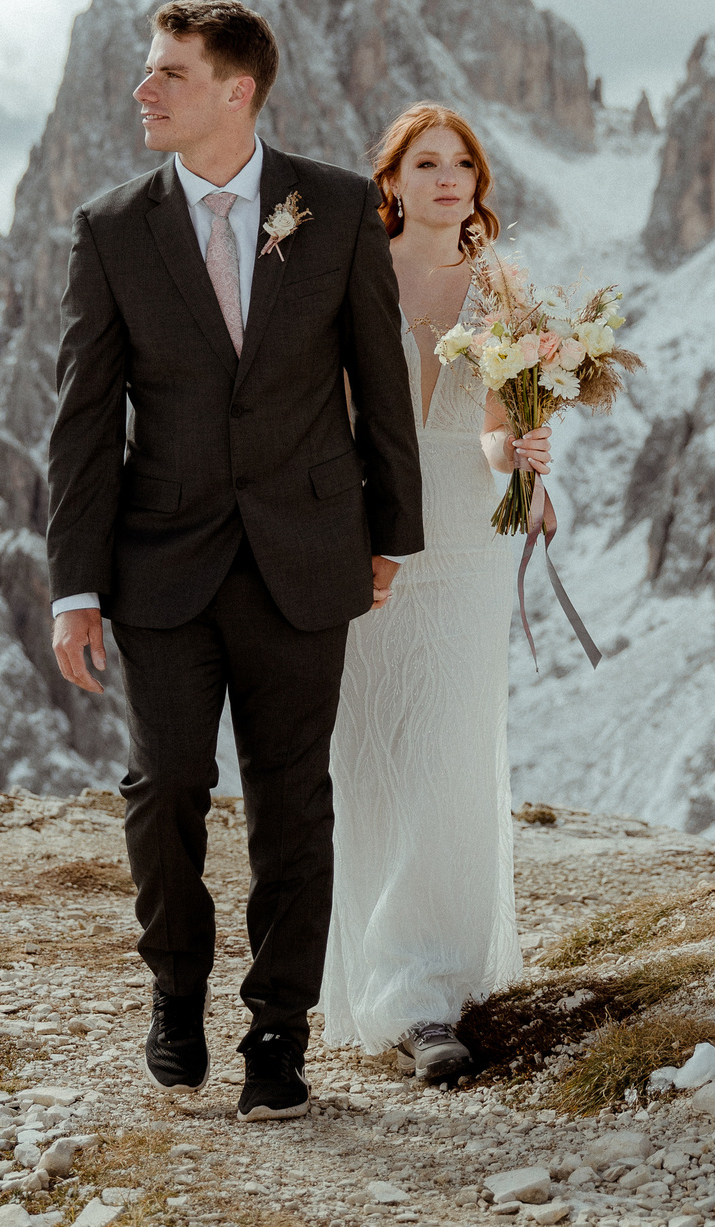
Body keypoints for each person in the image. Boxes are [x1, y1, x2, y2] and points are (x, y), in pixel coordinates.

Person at [44, 0, 425, 1121]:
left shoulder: (341, 207)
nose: (142, 91)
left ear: (235, 92)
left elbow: (378, 379)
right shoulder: (111, 228)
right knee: (165, 785)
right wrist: (75, 586)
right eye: (146, 72)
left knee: (292, 806)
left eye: (167, 73)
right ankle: (175, 992)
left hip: (308, 555)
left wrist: (389, 532)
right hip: (158, 564)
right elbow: (82, 418)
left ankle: (278, 1030)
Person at [317, 102, 550, 1083]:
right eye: (426, 161)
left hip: (464, 535)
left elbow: (497, 428)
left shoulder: (501, 287)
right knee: (368, 749)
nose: (448, 176)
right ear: (392, 180)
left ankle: (429, 993)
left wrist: (525, 454)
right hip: (366, 535)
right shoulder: (346, 273)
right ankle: (375, 972)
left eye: (462, 162)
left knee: (451, 746)